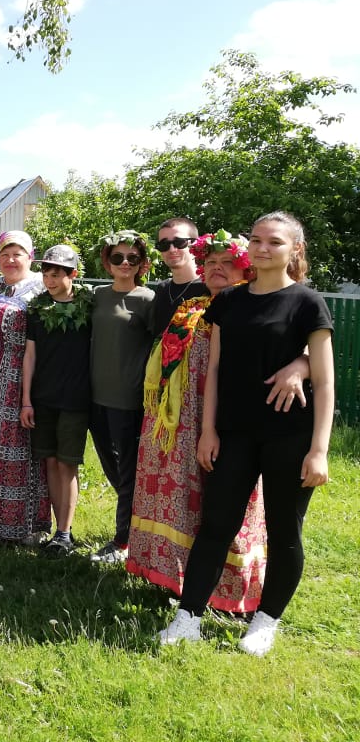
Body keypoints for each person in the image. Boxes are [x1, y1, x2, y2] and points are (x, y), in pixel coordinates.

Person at [159, 213, 333, 656]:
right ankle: (188, 617)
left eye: (273, 242)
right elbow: (214, 369)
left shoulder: (308, 303)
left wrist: (319, 450)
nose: (260, 248)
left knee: (284, 530)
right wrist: (208, 430)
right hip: (233, 434)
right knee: (216, 525)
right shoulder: (230, 302)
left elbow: (326, 380)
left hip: (289, 436)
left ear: (293, 250)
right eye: (255, 240)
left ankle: (265, 621)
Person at [129, 231, 270, 611]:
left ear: (246, 268)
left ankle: (228, 589)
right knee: (181, 501)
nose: (216, 269)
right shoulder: (190, 307)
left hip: (229, 423)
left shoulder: (254, 309)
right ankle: (176, 578)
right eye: (210, 263)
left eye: (227, 263)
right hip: (178, 426)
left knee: (227, 506)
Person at [0, 231, 50, 542]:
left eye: (17, 254)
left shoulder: (40, 288)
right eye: (5, 254)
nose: (10, 260)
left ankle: (23, 525)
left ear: (29, 257)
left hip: (23, 373)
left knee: (19, 445)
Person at [20, 245, 93, 558]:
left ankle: (65, 531)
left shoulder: (89, 307)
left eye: (56, 273)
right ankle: (54, 529)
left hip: (76, 398)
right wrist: (26, 400)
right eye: (46, 273)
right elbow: (30, 354)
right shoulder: (37, 308)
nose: (49, 279)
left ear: (72, 274)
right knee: (49, 461)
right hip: (43, 397)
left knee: (67, 463)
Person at [87, 230, 155, 564]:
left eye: (133, 258)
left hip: (128, 399)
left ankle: (123, 540)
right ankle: (137, 520)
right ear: (107, 261)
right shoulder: (97, 296)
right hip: (94, 397)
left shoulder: (147, 300)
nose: (125, 263)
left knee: (128, 469)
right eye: (118, 258)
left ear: (143, 263)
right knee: (110, 466)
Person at [149, 217, 207, 337]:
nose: (172, 249)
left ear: (195, 244)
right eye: (164, 245)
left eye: (179, 243)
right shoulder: (162, 288)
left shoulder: (209, 287)